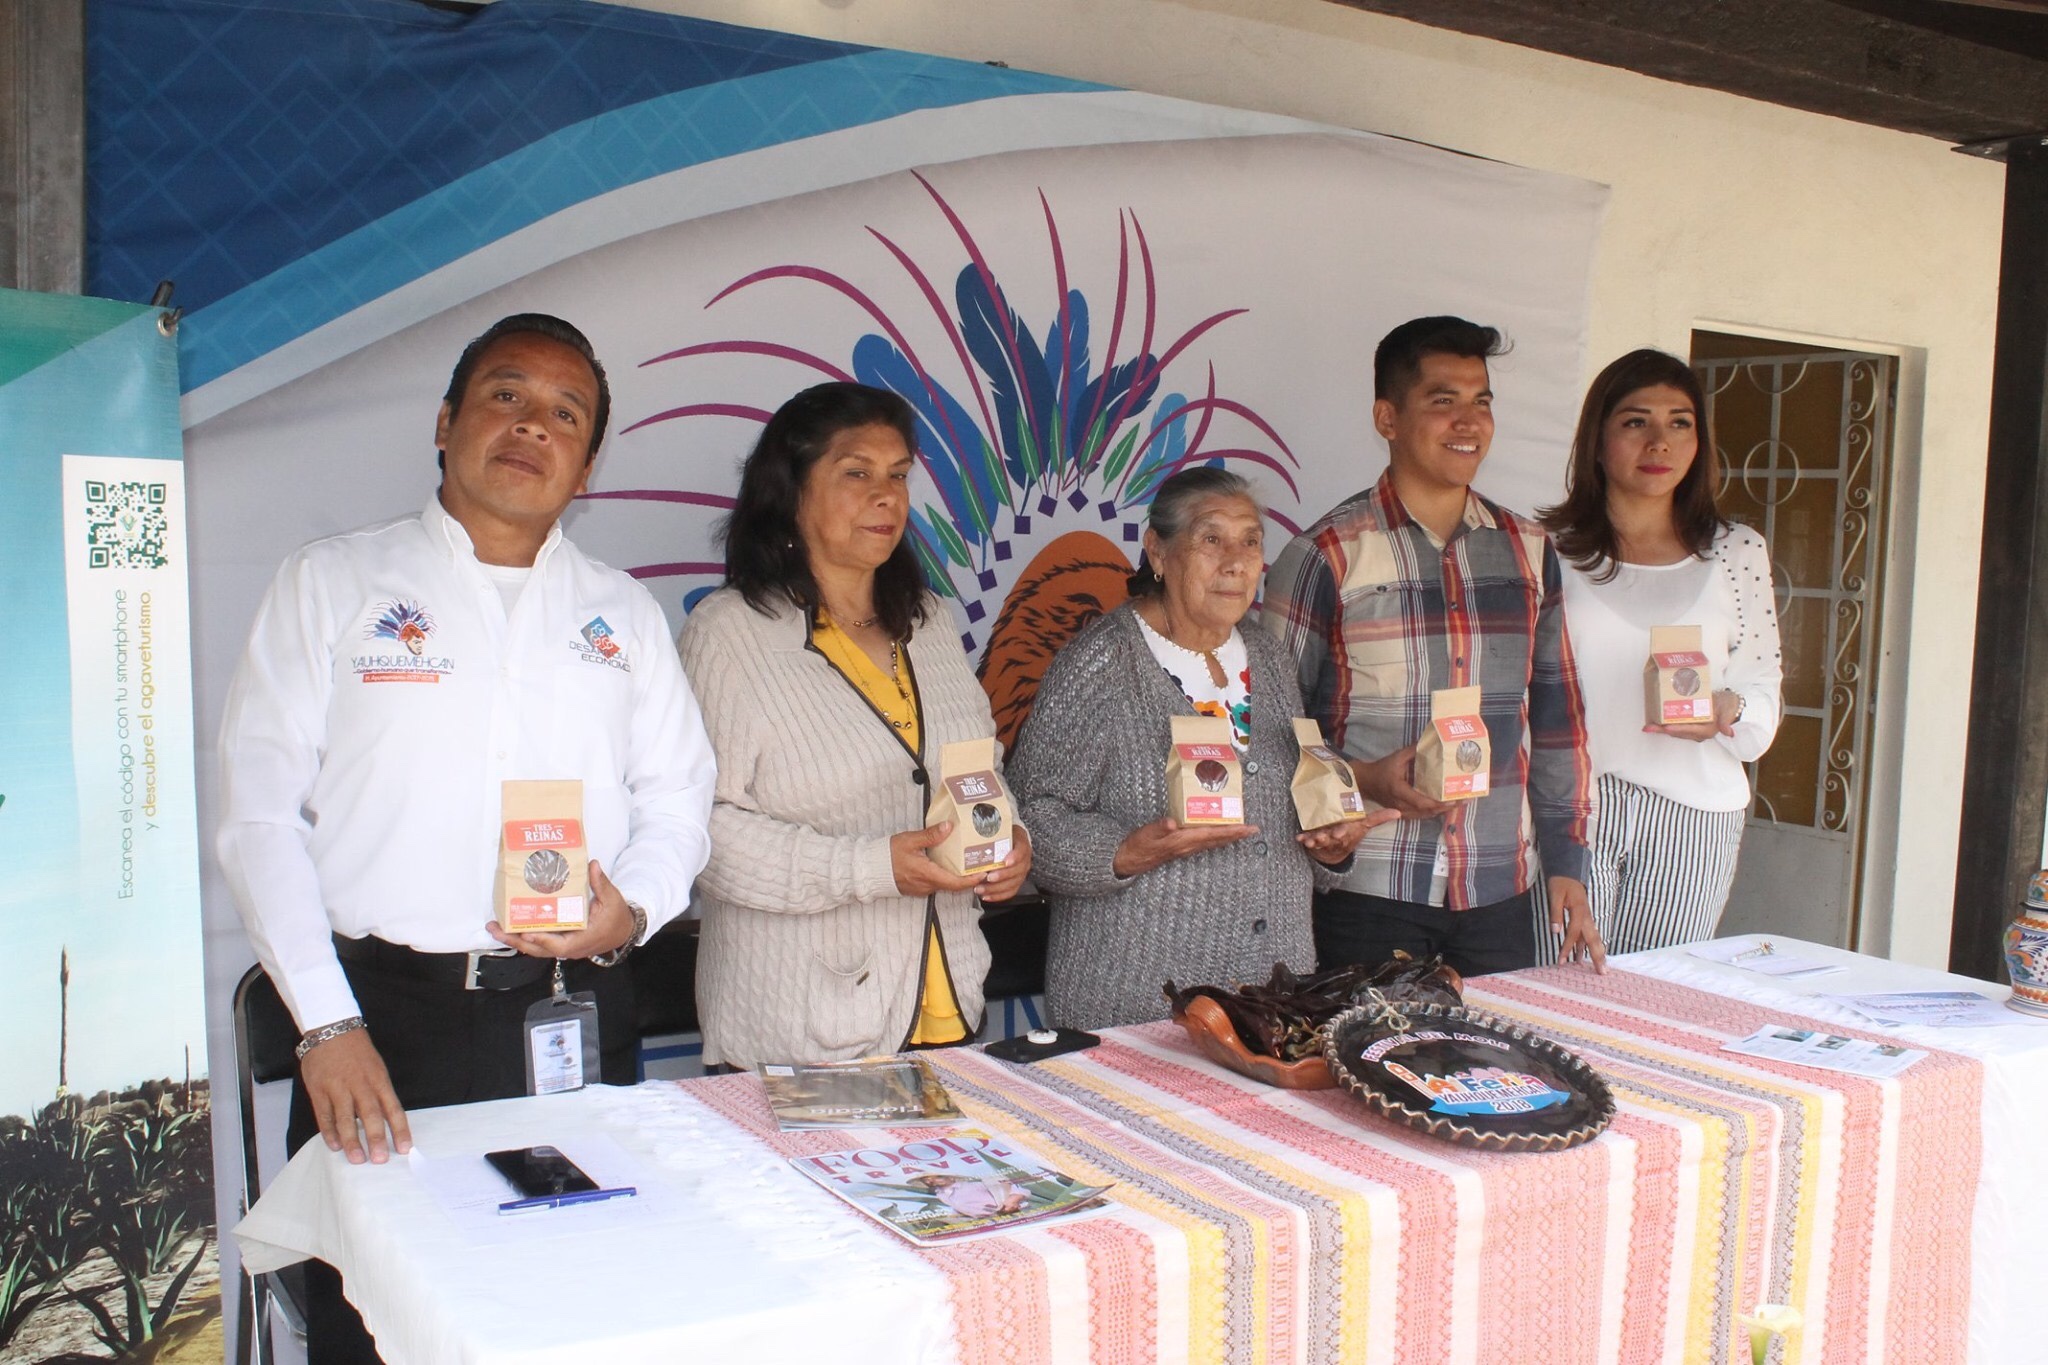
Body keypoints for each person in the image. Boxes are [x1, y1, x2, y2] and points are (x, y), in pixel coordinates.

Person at [217, 313, 716, 1362]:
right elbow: (258, 817)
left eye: (566, 414)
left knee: (571, 1314)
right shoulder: (333, 584)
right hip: (382, 1026)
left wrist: (631, 909)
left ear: (588, 467)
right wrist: (325, 1025)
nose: (533, 425)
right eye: (506, 395)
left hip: (575, 1013)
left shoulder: (621, 614)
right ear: (445, 422)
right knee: (374, 1327)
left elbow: (679, 796)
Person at [677, 382, 1030, 1069]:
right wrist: (871, 867)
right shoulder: (728, 633)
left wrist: (1009, 838)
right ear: (791, 490)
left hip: (949, 1004)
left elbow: (978, 770)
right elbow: (704, 831)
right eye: (857, 473)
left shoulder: (929, 620)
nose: (886, 496)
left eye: (898, 475)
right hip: (802, 1032)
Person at [1261, 315, 1602, 978]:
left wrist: (1567, 861)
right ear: (1387, 418)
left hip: (1499, 885)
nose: (1468, 422)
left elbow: (1559, 719)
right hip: (1369, 886)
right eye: (1443, 401)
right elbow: (1274, 733)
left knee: (1493, 1050)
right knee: (1369, 1048)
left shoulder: (1529, 551)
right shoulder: (1325, 554)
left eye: (1481, 401)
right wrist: (1362, 779)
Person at [1008, 468, 1391, 1029]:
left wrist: (1330, 848)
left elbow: (1290, 801)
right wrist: (1121, 853)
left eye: (1250, 541)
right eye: (1212, 539)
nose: (1236, 562)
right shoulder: (1102, 662)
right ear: (1158, 552)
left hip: (1272, 999)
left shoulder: (1269, 659)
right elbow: (1032, 815)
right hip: (1139, 1006)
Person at [1539, 348, 1782, 951]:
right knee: (1554, 987)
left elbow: (1762, 692)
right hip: (1571, 811)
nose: (1660, 442)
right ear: (1597, 440)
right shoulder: (1545, 549)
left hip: (1694, 816)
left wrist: (1727, 710)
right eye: (1635, 421)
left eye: (1680, 423)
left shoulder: (1737, 551)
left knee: (1657, 989)